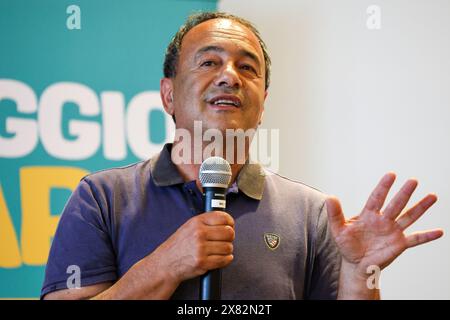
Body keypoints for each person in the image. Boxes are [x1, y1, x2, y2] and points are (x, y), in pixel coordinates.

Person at [41, 12, 443, 300]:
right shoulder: (101, 197)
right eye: (209, 61)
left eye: (247, 67)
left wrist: (359, 276)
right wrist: (166, 265)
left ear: (262, 102)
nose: (230, 75)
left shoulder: (312, 213)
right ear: (168, 95)